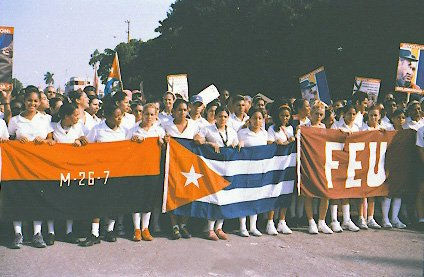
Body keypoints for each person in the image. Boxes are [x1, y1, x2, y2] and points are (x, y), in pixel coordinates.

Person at [8, 87, 55, 249]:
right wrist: (16, 142)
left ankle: (37, 233)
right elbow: (9, 140)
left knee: (37, 198)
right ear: (24, 101)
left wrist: (44, 140)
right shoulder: (15, 120)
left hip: (38, 165)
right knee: (18, 197)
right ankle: (18, 234)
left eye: (36, 101)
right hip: (18, 166)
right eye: (29, 100)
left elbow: (51, 139)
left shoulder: (46, 119)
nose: (32, 104)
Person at [79, 103, 128, 247]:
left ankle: (109, 230)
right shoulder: (97, 129)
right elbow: (87, 145)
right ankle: (94, 233)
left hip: (117, 171)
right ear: (107, 116)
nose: (119, 119)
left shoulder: (124, 131)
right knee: (97, 201)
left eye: (121, 116)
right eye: (116, 116)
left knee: (114, 201)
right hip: (100, 171)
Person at [195, 106, 238, 240]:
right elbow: (197, 139)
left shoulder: (231, 131)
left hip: (228, 168)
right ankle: (209, 229)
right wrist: (209, 143)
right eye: (220, 116)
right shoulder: (207, 129)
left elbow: (236, 144)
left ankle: (219, 227)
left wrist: (238, 144)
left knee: (225, 197)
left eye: (225, 116)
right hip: (212, 168)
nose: (223, 119)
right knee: (214, 197)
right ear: (215, 117)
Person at [163, 98, 201, 240]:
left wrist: (200, 139)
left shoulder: (194, 125)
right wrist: (165, 140)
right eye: (179, 110)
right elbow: (160, 140)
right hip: (172, 165)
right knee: (172, 194)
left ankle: (184, 224)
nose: (182, 112)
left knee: (188, 194)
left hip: (189, 166)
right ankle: (174, 226)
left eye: (185, 110)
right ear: (173, 111)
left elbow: (201, 139)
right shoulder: (166, 126)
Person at [51, 102, 88, 244]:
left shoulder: (79, 127)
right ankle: (51, 231)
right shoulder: (53, 128)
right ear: (66, 116)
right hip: (56, 170)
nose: (78, 117)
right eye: (76, 115)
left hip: (73, 170)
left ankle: (69, 231)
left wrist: (81, 140)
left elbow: (87, 141)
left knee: (70, 200)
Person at [128, 103, 166, 242]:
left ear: (156, 116)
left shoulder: (159, 131)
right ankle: (136, 228)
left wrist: (163, 144)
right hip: (136, 169)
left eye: (152, 114)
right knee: (137, 198)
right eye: (146, 114)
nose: (149, 117)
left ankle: (146, 228)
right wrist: (132, 142)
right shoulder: (133, 130)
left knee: (149, 198)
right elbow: (125, 149)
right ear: (141, 114)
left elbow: (165, 149)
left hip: (153, 169)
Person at [237, 108, 268, 237]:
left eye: (260, 118)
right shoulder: (242, 132)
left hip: (258, 170)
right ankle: (242, 226)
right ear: (249, 119)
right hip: (245, 170)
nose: (257, 121)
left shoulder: (264, 134)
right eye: (255, 118)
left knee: (255, 197)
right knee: (244, 197)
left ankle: (253, 226)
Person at [303, 102, 333, 234]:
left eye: (321, 114)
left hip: (322, 163)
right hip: (308, 163)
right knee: (309, 194)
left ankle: (322, 221)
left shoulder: (324, 128)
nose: (319, 117)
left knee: (325, 193)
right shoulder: (304, 127)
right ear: (310, 114)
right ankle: (311, 222)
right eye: (316, 114)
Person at [329, 104, 360, 232]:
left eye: (354, 114)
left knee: (346, 191)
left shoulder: (358, 128)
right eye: (349, 114)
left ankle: (346, 220)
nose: (351, 116)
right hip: (337, 161)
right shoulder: (336, 126)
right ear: (344, 114)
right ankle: (334, 220)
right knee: (336, 191)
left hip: (350, 162)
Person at [265, 103, 295, 235]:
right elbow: (269, 142)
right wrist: (279, 143)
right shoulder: (272, 128)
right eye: (282, 115)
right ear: (277, 116)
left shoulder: (290, 128)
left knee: (286, 190)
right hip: (275, 165)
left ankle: (282, 221)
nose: (284, 118)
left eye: (287, 116)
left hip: (287, 164)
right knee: (274, 190)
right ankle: (270, 222)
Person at [380, 109, 407, 229]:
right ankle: (385, 218)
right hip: (389, 163)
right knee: (388, 191)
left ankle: (395, 218)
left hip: (402, 164)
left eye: (403, 117)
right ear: (393, 118)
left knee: (399, 192)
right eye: (398, 117)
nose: (400, 120)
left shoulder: (407, 132)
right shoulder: (388, 130)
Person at [416, 124, 424, 230]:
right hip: (422, 165)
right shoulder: (421, 130)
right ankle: (421, 219)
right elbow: (420, 149)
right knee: (421, 191)